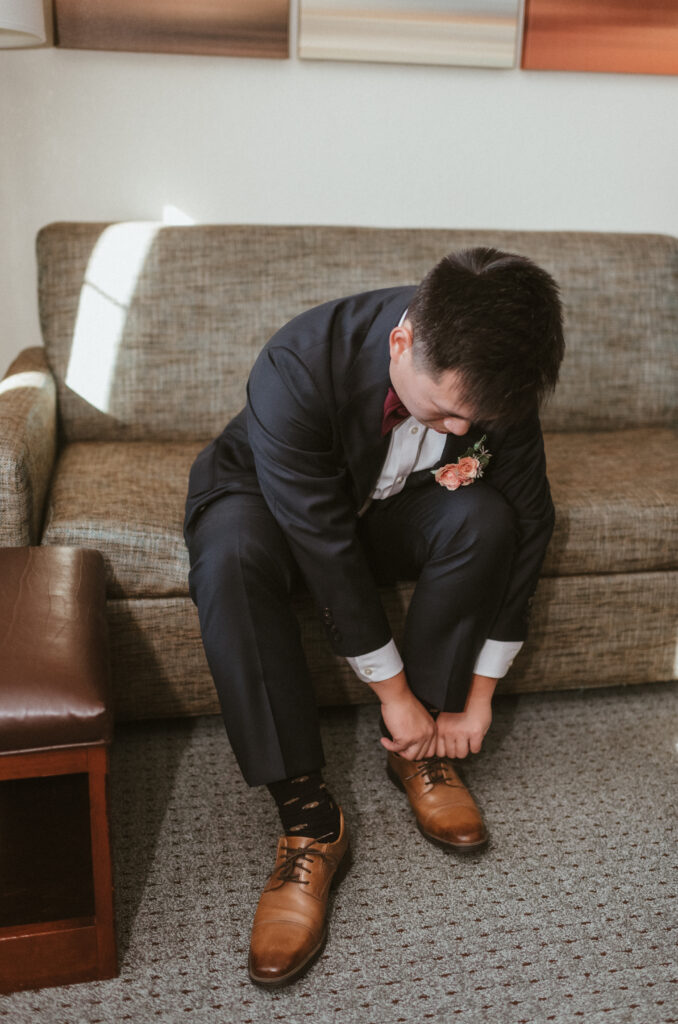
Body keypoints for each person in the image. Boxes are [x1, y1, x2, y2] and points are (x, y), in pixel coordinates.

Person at [184, 246, 565, 988]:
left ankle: (420, 750)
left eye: (475, 419)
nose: (462, 426)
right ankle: (309, 822)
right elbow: (325, 548)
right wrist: (391, 691)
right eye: (447, 409)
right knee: (228, 558)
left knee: (486, 520)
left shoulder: (494, 379)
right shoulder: (297, 363)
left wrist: (476, 697)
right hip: (265, 502)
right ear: (402, 343)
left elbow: (533, 523)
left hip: (386, 507)